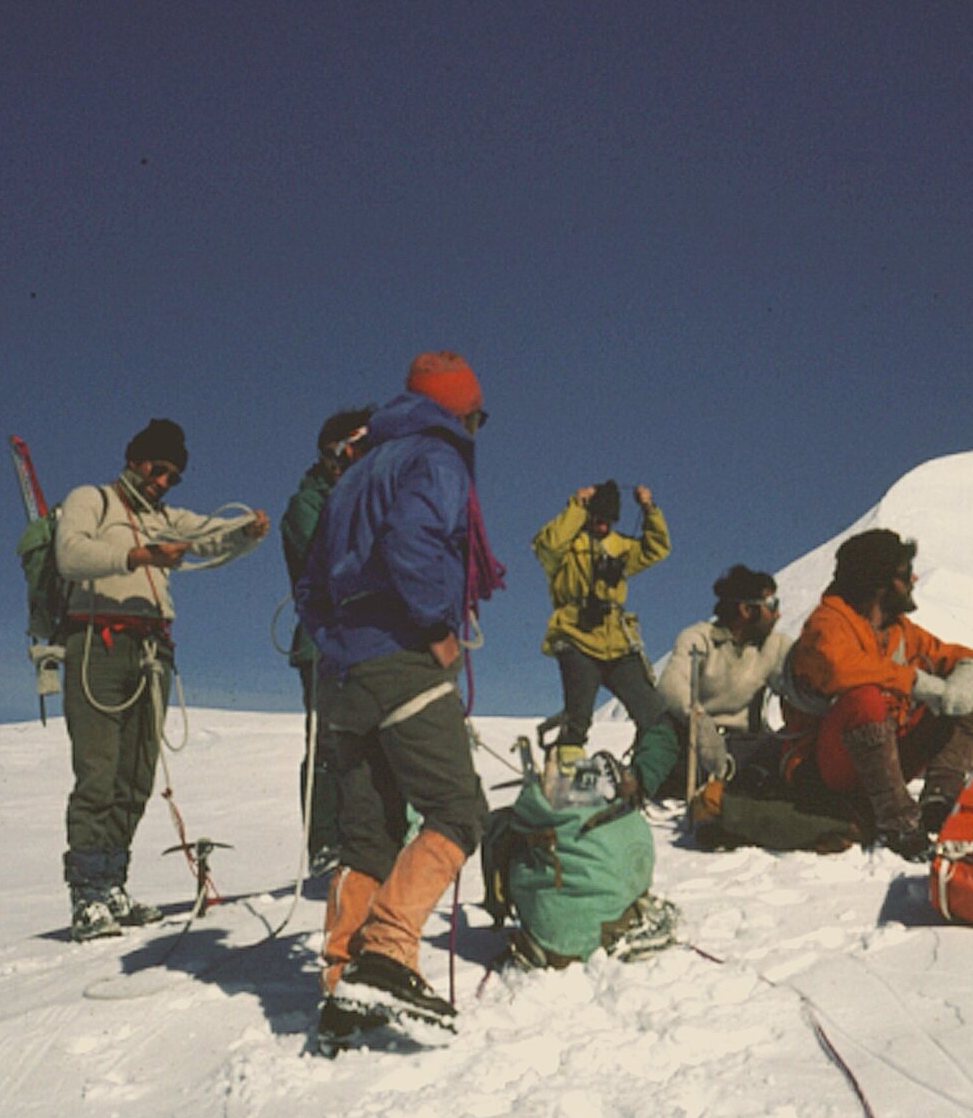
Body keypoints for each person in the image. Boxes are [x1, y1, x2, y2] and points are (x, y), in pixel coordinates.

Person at [294, 352, 502, 1037]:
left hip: (343, 674)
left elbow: (310, 587)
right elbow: (413, 543)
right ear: (459, 409)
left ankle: (340, 982)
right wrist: (436, 626)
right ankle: (385, 952)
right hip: (401, 660)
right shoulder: (433, 458)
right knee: (458, 806)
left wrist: (340, 640)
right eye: (478, 413)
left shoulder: (355, 473)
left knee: (369, 832)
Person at [54, 418, 272, 940]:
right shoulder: (93, 500)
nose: (163, 481)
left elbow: (207, 535)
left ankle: (113, 885)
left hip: (152, 651)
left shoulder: (167, 517)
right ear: (135, 459)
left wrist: (244, 534)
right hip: (97, 646)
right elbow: (70, 554)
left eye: (174, 476)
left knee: (135, 776)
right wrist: (139, 555)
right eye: (158, 469)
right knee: (99, 770)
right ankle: (87, 895)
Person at [776, 529, 973, 860]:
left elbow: (955, 655)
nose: (914, 579)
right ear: (880, 582)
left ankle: (940, 801)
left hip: (883, 760)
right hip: (828, 770)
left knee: (967, 698)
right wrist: (917, 682)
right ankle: (899, 823)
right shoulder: (826, 624)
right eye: (905, 574)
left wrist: (969, 674)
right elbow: (840, 669)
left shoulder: (899, 630)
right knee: (864, 699)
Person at [282, 406, 374, 876]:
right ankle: (325, 843)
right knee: (326, 743)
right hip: (323, 642)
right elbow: (329, 560)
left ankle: (368, 837)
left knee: (371, 740)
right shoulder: (307, 505)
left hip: (369, 640)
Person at [532, 480, 672, 765]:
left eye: (609, 521)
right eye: (598, 519)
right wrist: (578, 505)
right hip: (575, 635)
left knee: (653, 712)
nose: (603, 526)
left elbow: (657, 548)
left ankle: (647, 776)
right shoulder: (567, 545)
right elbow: (547, 545)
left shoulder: (620, 545)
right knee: (578, 716)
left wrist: (649, 510)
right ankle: (567, 774)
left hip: (618, 641)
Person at [655, 564, 792, 791]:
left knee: (783, 750)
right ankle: (635, 784)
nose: (778, 614)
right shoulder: (699, 637)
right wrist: (699, 722)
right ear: (746, 610)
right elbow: (671, 686)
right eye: (772, 605)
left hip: (742, 746)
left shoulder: (774, 645)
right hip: (692, 743)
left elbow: (798, 677)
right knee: (660, 735)